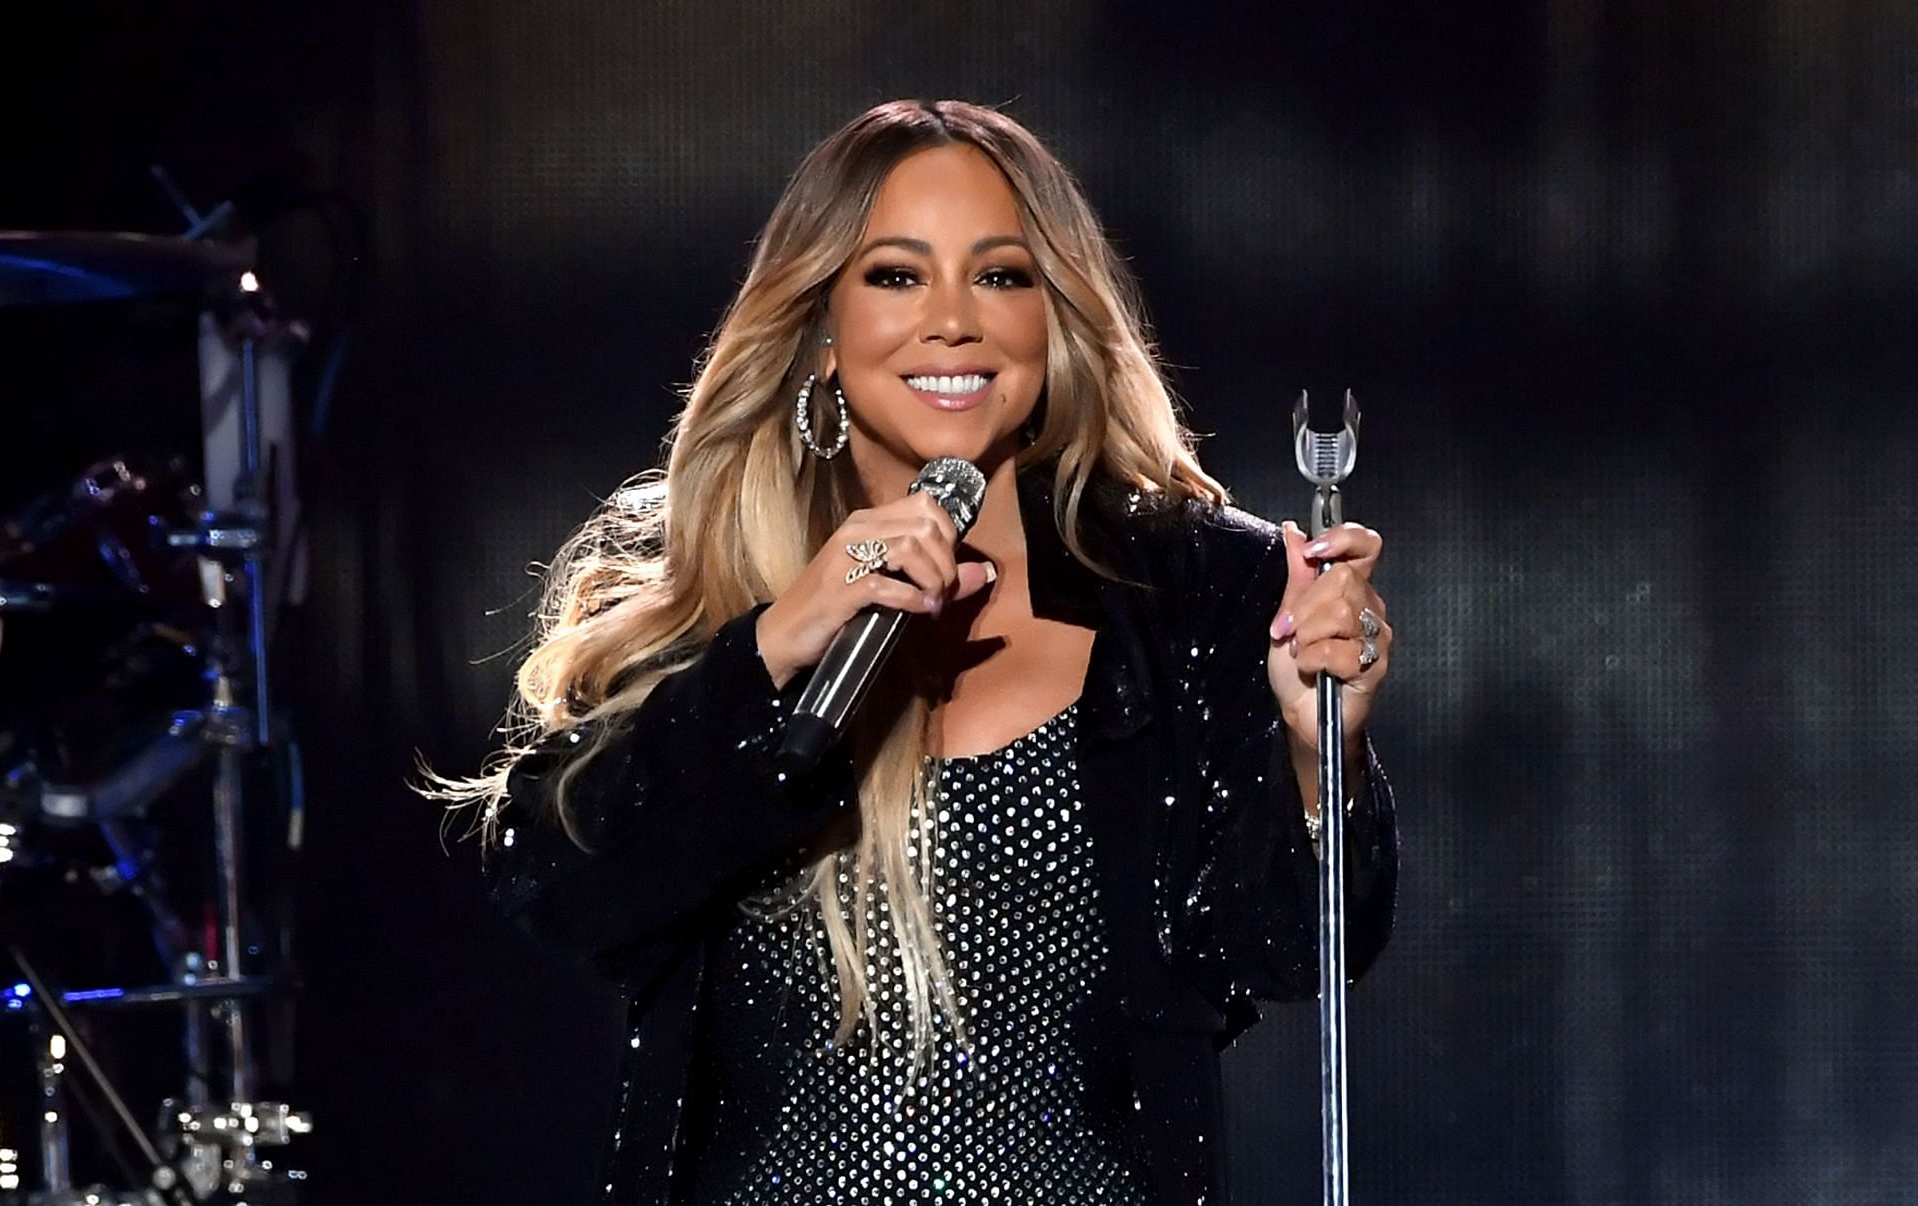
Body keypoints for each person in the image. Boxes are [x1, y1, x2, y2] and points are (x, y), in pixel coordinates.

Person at [431, 99, 1399, 1206]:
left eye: (1001, 276)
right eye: (897, 275)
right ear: (822, 325)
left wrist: (1323, 758)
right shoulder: (716, 602)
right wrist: (779, 645)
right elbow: (559, 890)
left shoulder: (1195, 593)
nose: (954, 322)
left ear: (1057, 317)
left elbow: (1285, 956)